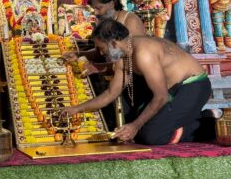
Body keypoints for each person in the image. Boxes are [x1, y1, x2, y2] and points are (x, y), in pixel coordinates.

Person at [62, 19, 212, 145]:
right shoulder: (123, 56)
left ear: (113, 43)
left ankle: (202, 123)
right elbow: (110, 94)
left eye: (101, 48)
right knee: (137, 128)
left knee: (150, 136)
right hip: (171, 91)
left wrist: (135, 126)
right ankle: (182, 116)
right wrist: (77, 109)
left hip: (193, 85)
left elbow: (161, 97)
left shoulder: (143, 54)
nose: (101, 53)